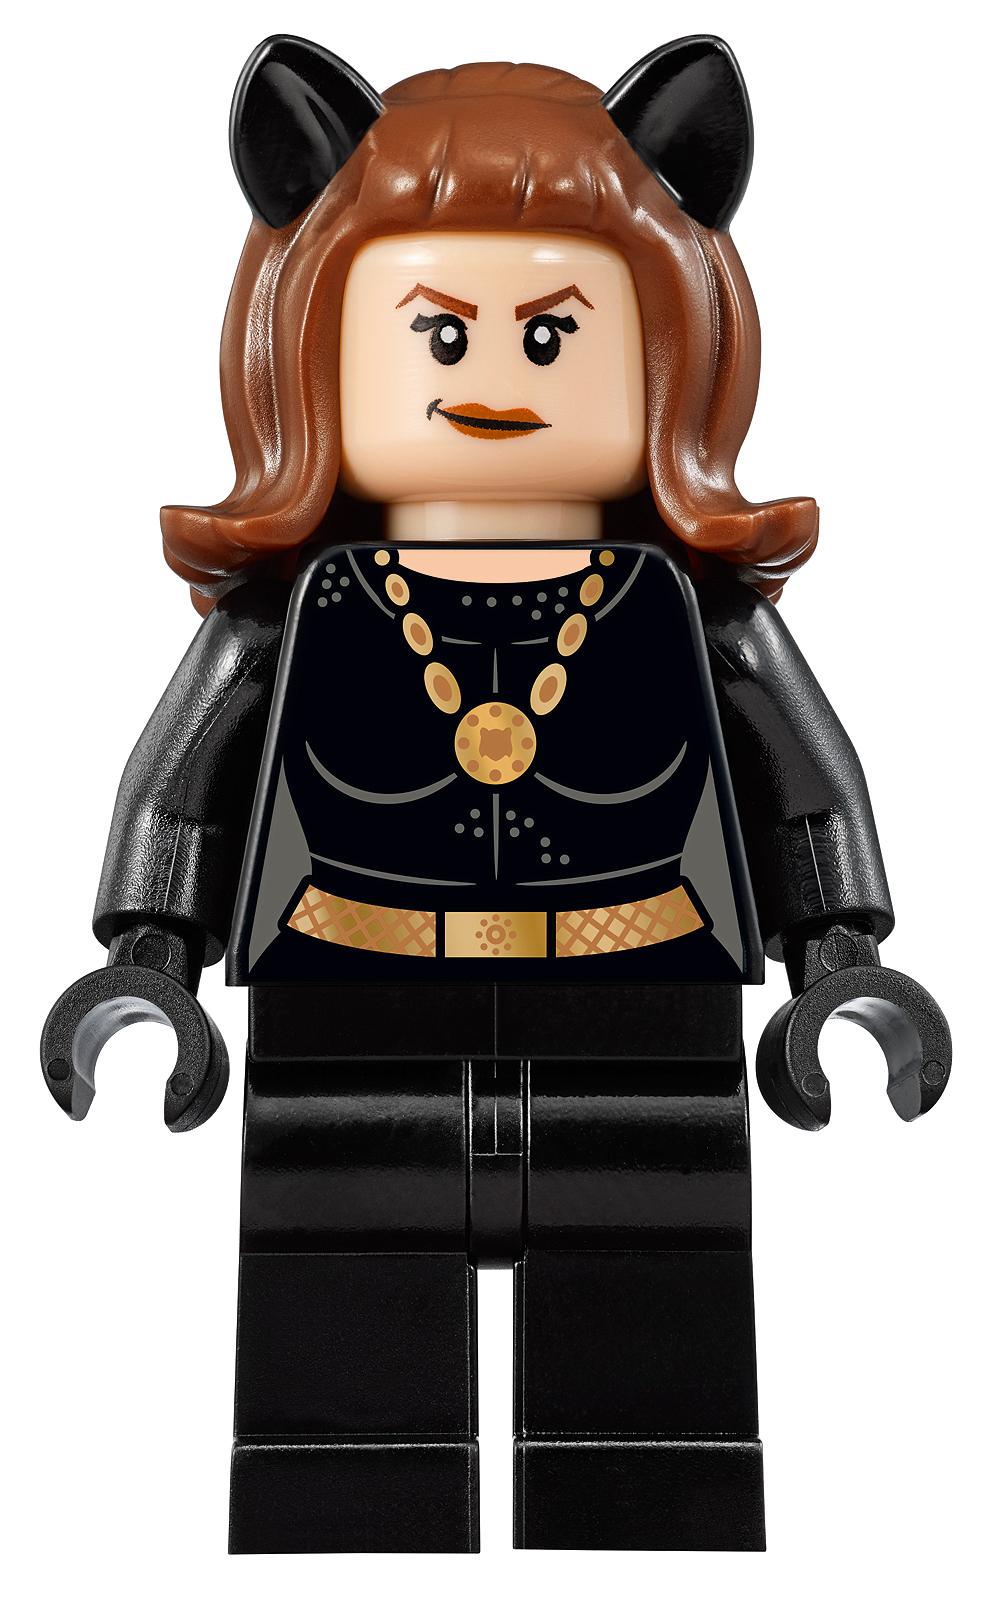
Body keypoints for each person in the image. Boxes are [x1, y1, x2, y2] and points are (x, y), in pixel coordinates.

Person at [41, 35, 950, 1553]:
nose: (489, 382)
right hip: (348, 1000)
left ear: (669, 352)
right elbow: (179, 786)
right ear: (312, 352)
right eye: (436, 336)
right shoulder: (287, 614)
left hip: (643, 1002)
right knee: (336, 1296)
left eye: (551, 339)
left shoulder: (698, 612)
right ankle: (348, 1506)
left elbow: (808, 782)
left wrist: (841, 957)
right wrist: (148, 958)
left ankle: (643, 1502)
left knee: (651, 1292)